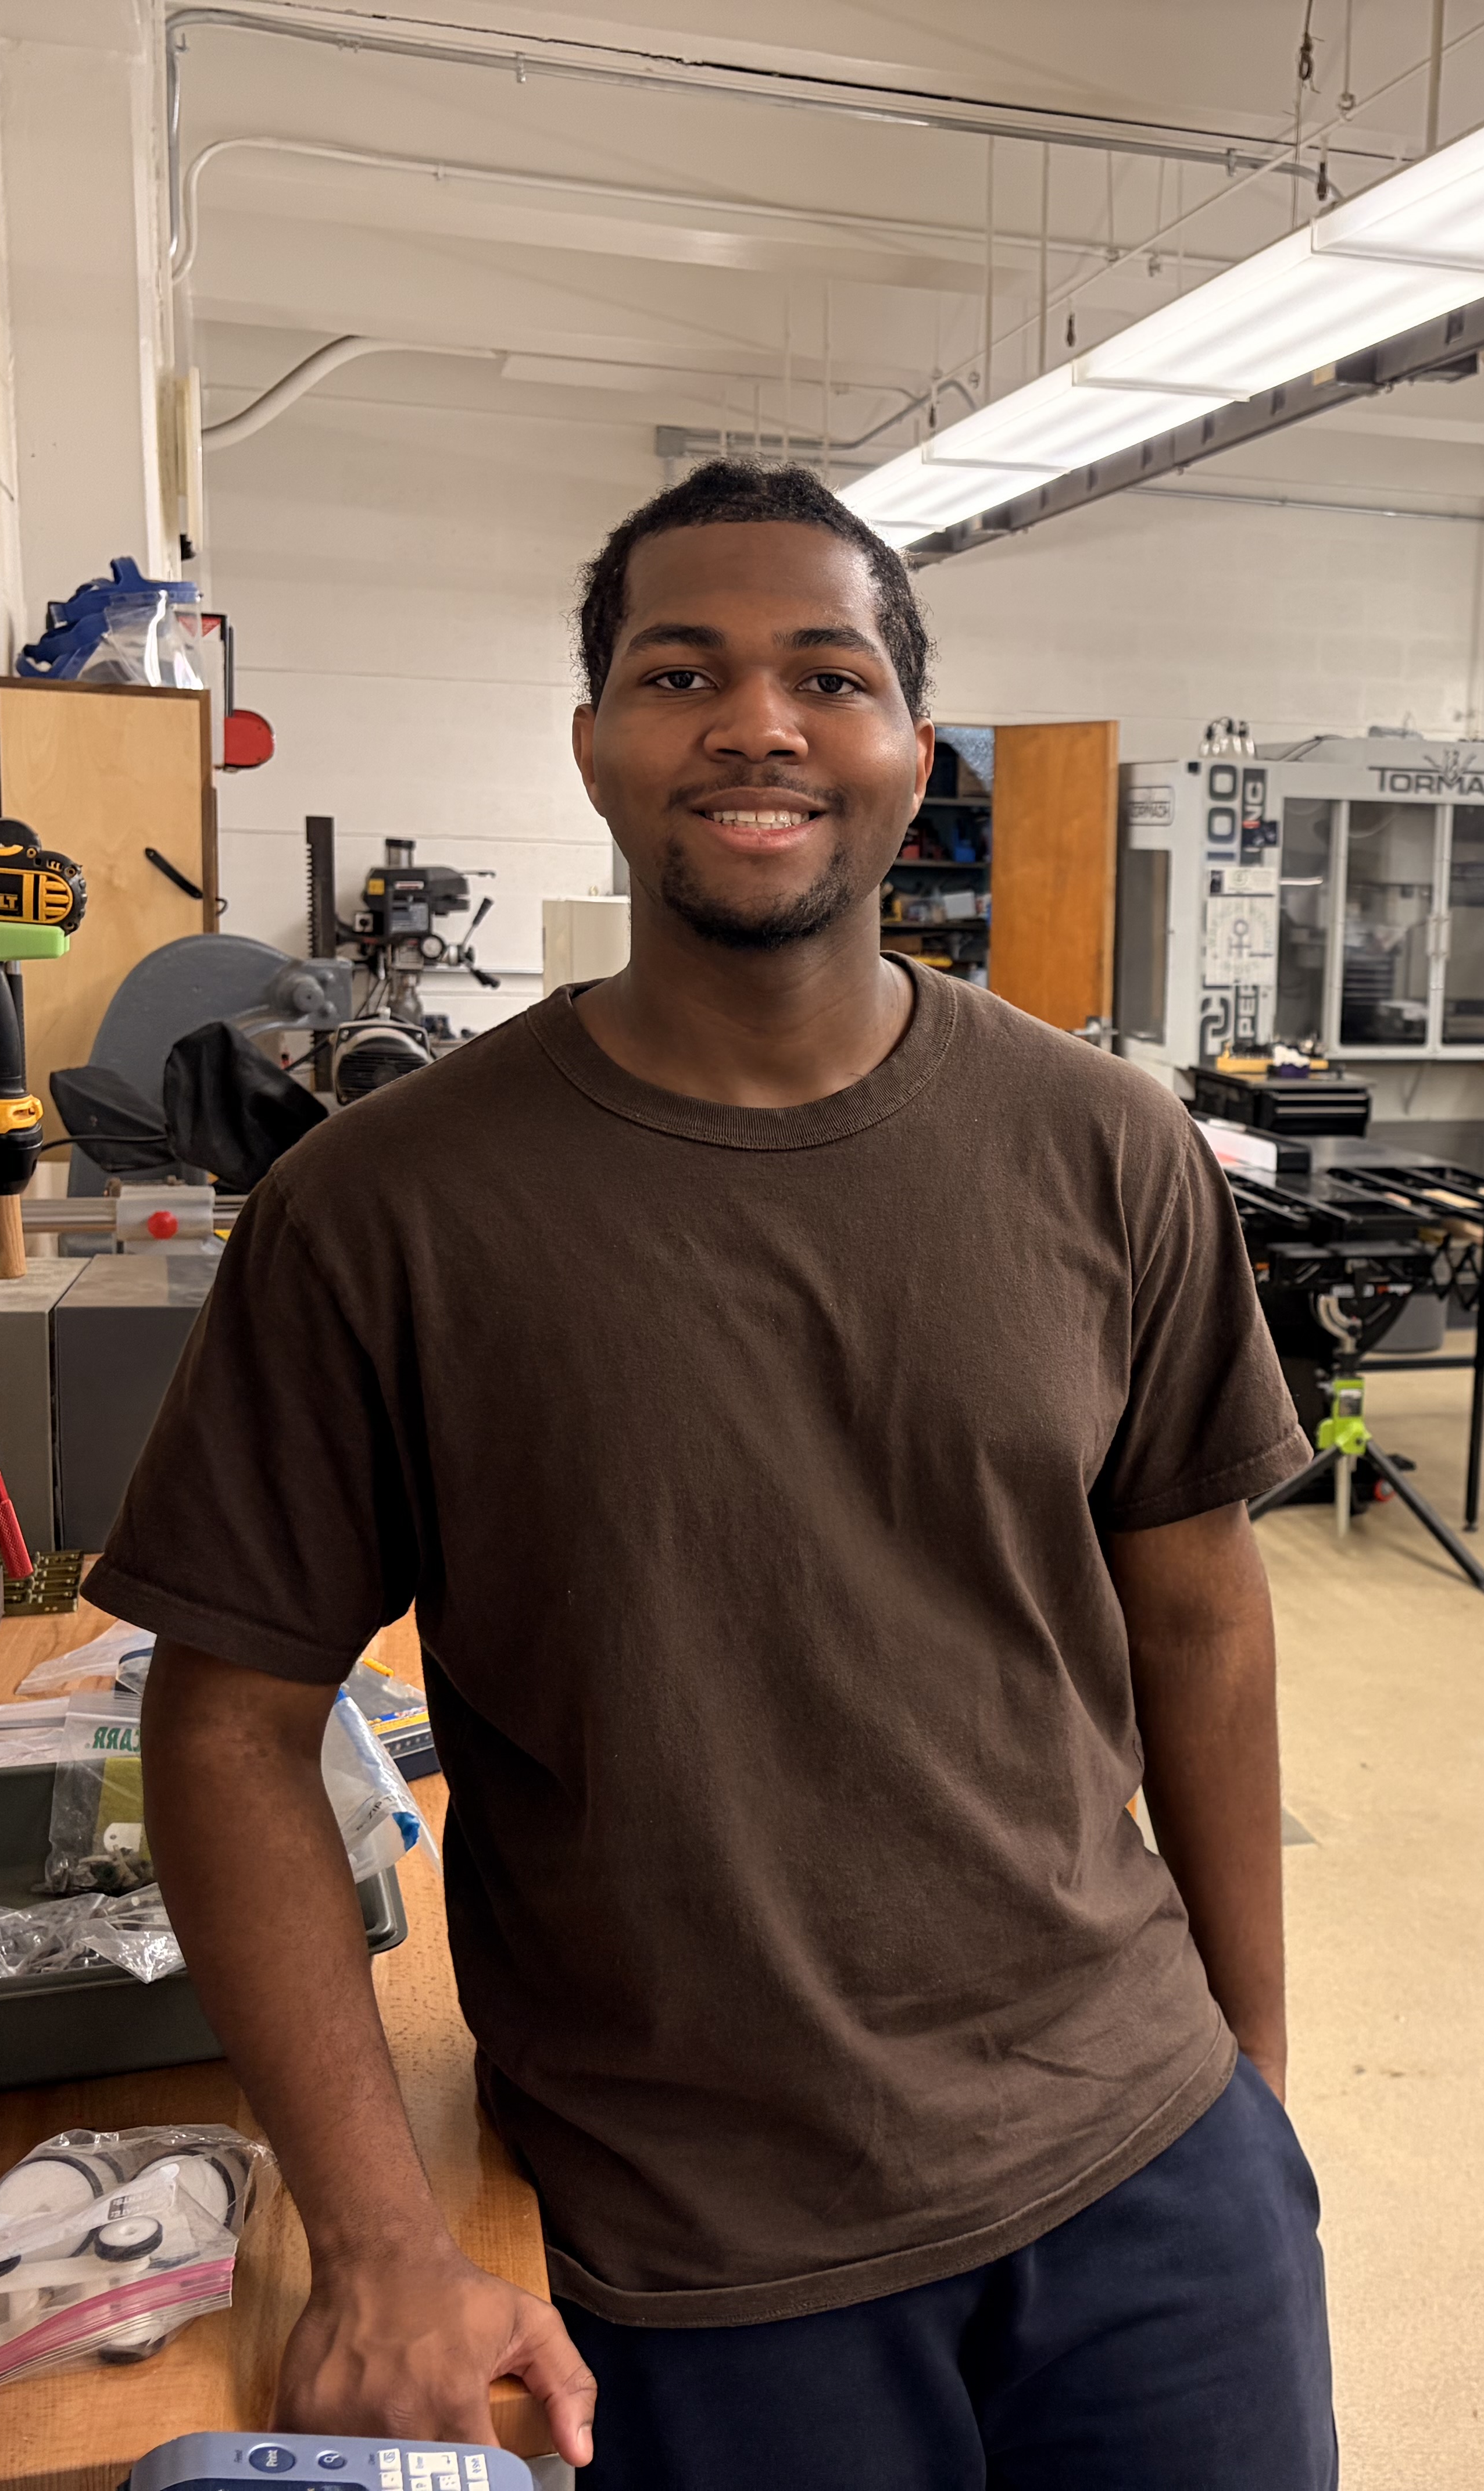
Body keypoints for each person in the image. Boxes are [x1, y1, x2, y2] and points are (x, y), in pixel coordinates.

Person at [91, 461, 1336, 2490]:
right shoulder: (381, 1210)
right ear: (593, 744)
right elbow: (230, 1724)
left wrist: (1254, 2088)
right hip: (700, 2259)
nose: (757, 720)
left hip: (1150, 2191)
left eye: (824, 675)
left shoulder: (1104, 1146)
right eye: (683, 670)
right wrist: (383, 2241)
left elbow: (1198, 1616)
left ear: (909, 752)